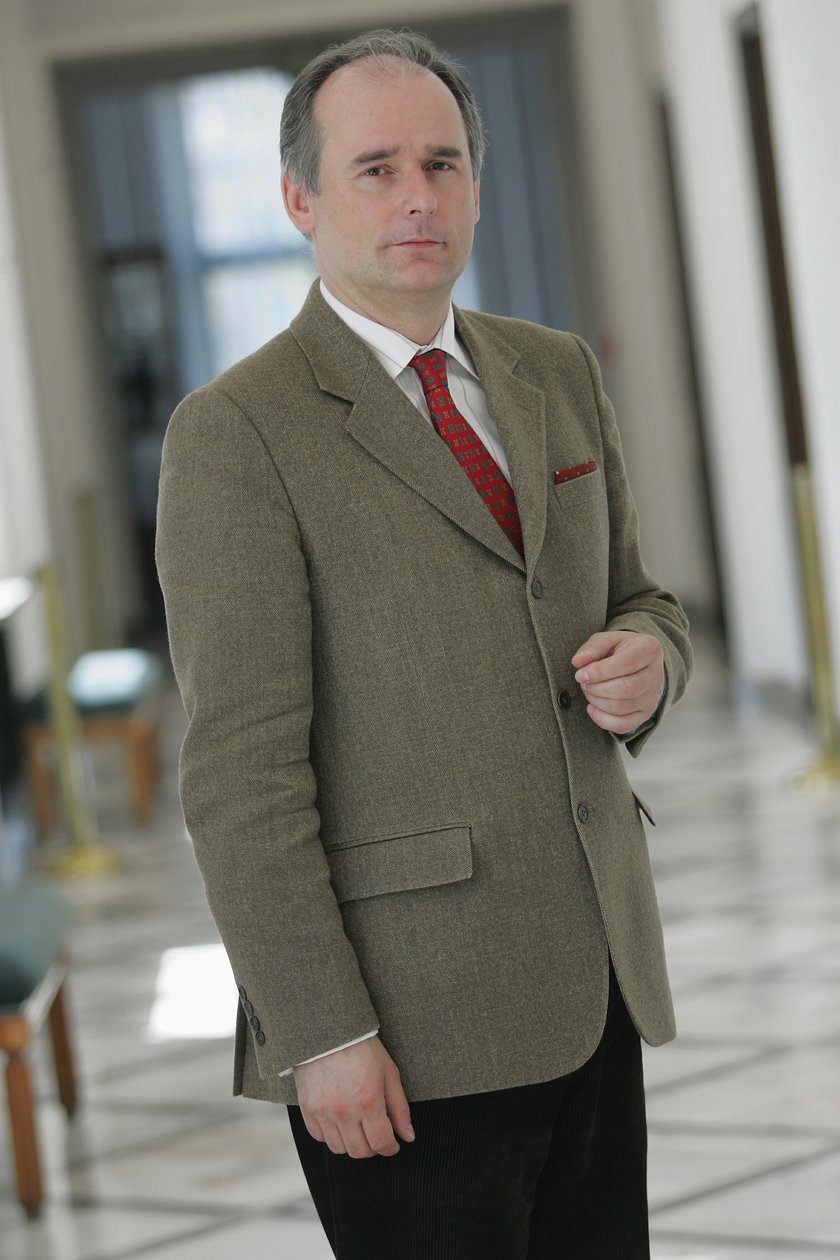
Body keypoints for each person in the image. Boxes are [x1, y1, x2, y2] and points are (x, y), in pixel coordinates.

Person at [155, 27, 692, 1260]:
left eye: (443, 164)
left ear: (478, 189)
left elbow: (644, 599)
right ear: (300, 199)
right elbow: (240, 777)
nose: (418, 198)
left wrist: (652, 660)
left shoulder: (556, 372)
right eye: (377, 168)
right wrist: (322, 1032)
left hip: (598, 976)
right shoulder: (236, 433)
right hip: (405, 1028)